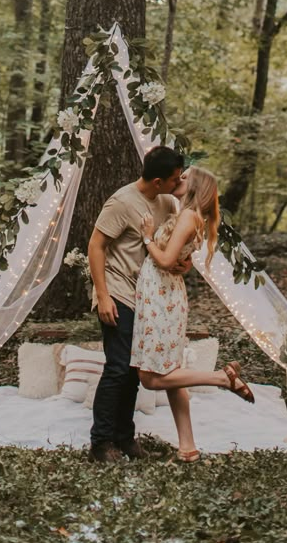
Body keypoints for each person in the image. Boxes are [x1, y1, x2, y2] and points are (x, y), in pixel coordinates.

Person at [131, 165, 255, 463]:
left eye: (184, 178)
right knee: (172, 376)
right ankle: (188, 448)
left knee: (150, 378)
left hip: (161, 297)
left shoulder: (188, 217)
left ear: (195, 187)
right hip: (165, 294)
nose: (178, 179)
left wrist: (148, 238)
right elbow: (180, 261)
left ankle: (221, 378)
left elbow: (165, 260)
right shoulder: (193, 217)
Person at [87, 144, 186, 464]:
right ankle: (101, 443)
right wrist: (102, 295)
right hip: (117, 291)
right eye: (174, 179)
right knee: (118, 367)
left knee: (134, 368)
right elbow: (96, 246)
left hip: (149, 298)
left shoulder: (169, 201)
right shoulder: (121, 202)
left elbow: (176, 244)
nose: (178, 183)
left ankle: (124, 437)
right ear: (157, 182)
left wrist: (183, 264)